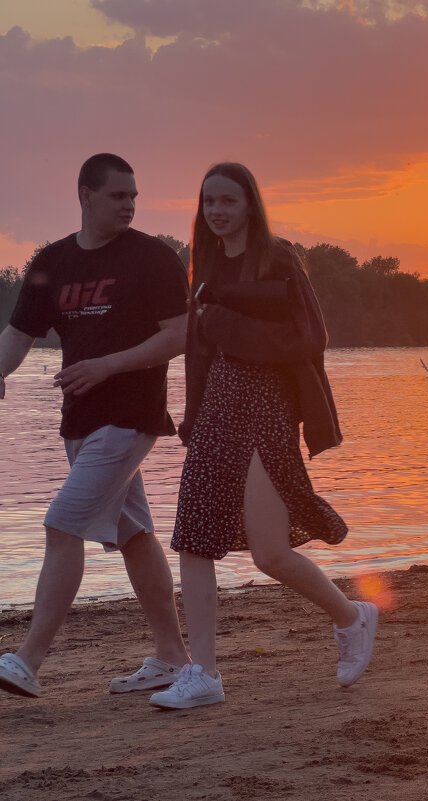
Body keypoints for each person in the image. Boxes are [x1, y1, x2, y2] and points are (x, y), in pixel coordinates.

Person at [148, 163, 376, 709]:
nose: (217, 211)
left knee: (270, 553)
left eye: (228, 200)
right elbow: (201, 349)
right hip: (219, 406)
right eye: (209, 202)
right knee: (194, 535)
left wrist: (230, 326)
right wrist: (192, 413)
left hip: (267, 405)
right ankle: (203, 673)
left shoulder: (279, 260)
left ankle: (352, 616)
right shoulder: (202, 267)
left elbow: (309, 336)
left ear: (250, 203)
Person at [0, 153, 191, 698]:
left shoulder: (154, 258)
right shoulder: (53, 261)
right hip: (79, 421)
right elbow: (19, 335)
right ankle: (173, 658)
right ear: (85, 194)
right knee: (134, 535)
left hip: (130, 416)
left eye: (134, 195)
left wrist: (107, 365)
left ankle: (29, 660)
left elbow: (179, 336)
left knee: (62, 526)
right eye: (117, 195)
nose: (129, 204)